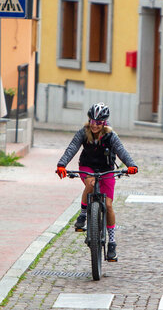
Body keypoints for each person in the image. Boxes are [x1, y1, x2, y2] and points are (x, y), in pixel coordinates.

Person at [56, 103, 138, 261]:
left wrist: (131, 165)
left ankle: (112, 242)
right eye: (92, 121)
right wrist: (62, 165)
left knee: (108, 205)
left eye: (98, 123)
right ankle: (83, 214)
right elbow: (72, 148)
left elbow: (121, 150)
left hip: (107, 169)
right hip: (87, 166)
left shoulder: (111, 136)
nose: (94, 125)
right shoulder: (83, 133)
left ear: (104, 123)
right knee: (91, 183)